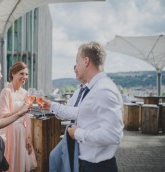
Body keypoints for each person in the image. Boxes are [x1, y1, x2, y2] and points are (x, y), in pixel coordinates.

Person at [41, 41, 124, 172]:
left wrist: (78, 133)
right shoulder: (94, 88)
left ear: (86, 61)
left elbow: (113, 135)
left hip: (98, 166)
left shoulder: (103, 90)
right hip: (90, 162)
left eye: (77, 62)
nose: (75, 67)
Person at [0, 61, 37, 172]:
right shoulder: (6, 91)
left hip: (22, 133)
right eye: (21, 73)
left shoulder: (25, 93)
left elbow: (27, 117)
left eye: (26, 74)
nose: (24, 77)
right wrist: (20, 111)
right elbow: (2, 115)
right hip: (9, 133)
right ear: (13, 74)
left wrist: (29, 138)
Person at [49, 65, 87, 172]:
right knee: (53, 157)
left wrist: (51, 106)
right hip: (71, 133)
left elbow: (77, 113)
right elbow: (67, 110)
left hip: (81, 136)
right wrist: (55, 110)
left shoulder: (90, 91)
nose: (75, 71)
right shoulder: (78, 91)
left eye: (77, 68)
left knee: (65, 162)